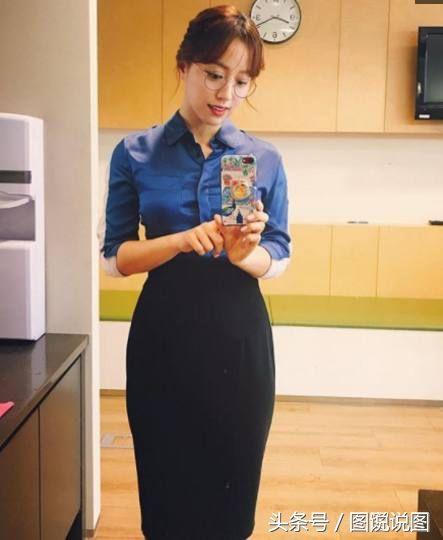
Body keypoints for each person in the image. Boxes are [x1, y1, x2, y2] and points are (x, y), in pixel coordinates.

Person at [98, 5, 291, 539]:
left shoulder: (263, 158)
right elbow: (115, 257)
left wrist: (244, 254)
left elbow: (279, 254)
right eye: (214, 74)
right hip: (164, 336)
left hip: (239, 339)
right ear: (183, 66)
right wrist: (181, 240)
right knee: (166, 494)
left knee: (232, 495)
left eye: (242, 81)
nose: (226, 93)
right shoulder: (135, 153)